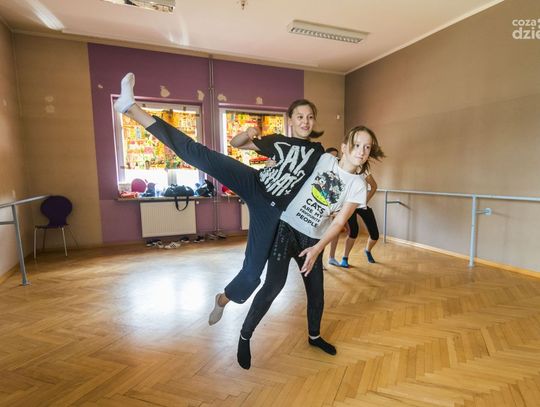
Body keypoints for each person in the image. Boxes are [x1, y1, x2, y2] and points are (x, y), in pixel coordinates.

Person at [113, 73, 325, 320]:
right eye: (300, 116)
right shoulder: (278, 141)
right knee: (198, 153)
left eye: (310, 117)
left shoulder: (318, 152)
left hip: (272, 210)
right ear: (290, 119)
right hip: (254, 182)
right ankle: (131, 108)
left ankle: (222, 299)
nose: (305, 121)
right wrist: (248, 133)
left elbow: (328, 181)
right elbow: (237, 143)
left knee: (252, 275)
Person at [236, 126, 385, 369]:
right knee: (274, 285)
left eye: (367, 147)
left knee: (317, 293)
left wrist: (317, 250)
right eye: (357, 145)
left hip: (313, 240)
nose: (361, 151)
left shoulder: (358, 185)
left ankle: (314, 337)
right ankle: (245, 335)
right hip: (286, 229)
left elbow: (339, 222)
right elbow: (295, 163)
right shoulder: (324, 159)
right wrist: (274, 162)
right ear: (344, 147)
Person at [328, 170, 383, 266]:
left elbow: (374, 186)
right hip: (349, 206)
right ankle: (345, 258)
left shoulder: (364, 172)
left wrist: (365, 201)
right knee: (353, 232)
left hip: (362, 206)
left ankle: (367, 250)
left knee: (375, 235)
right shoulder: (344, 172)